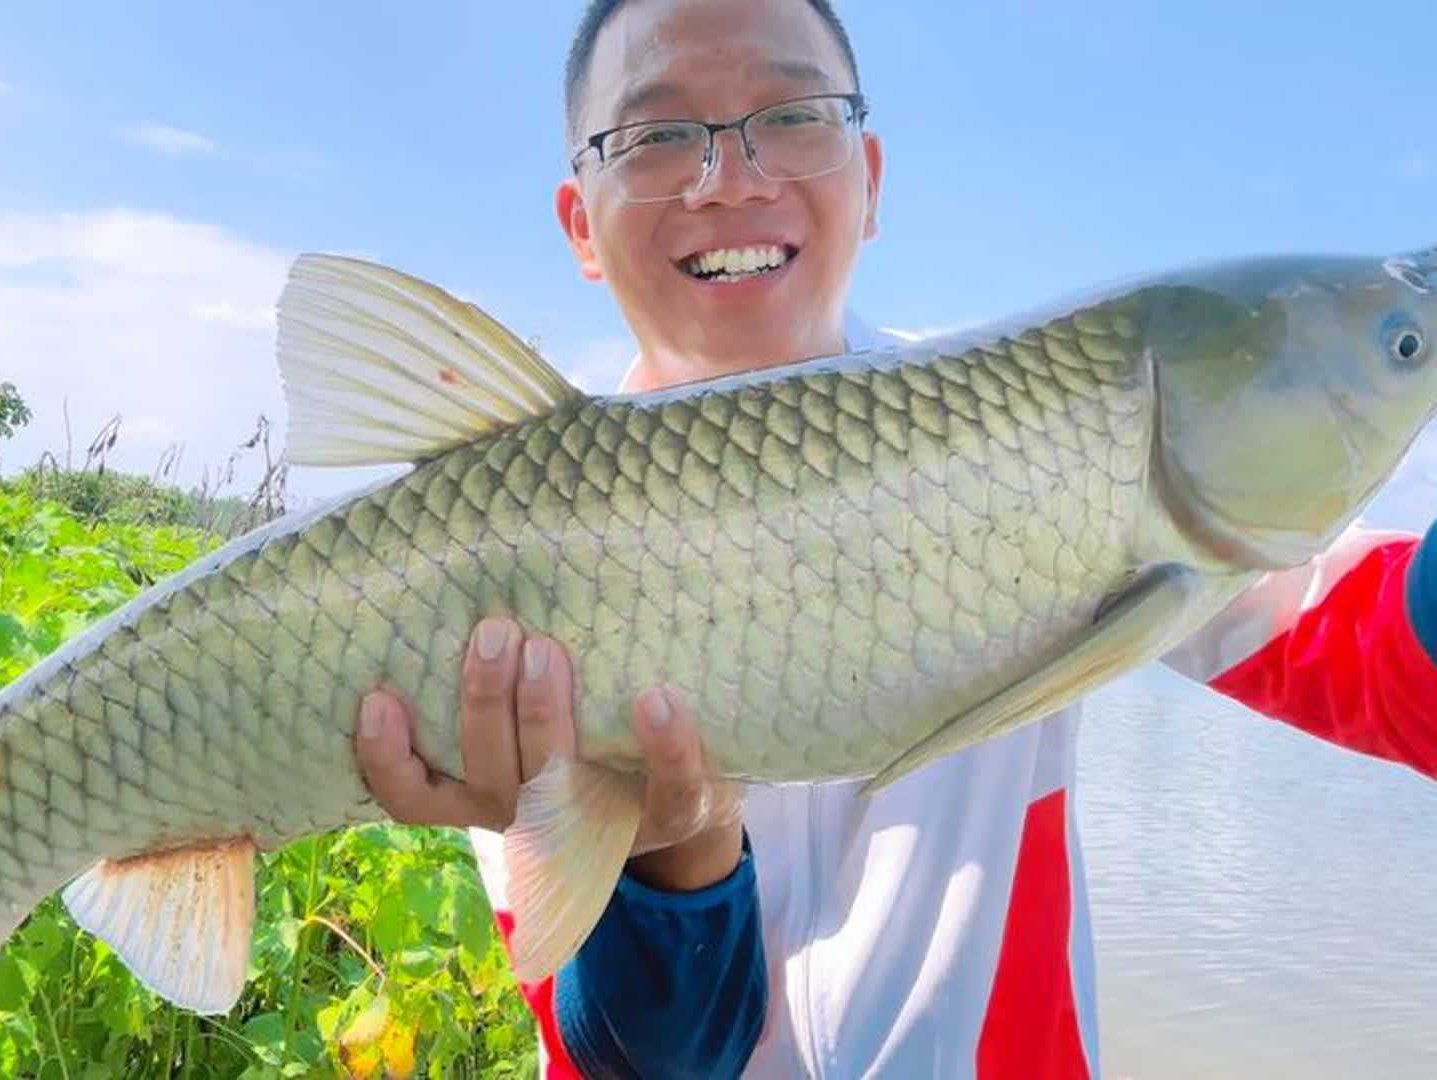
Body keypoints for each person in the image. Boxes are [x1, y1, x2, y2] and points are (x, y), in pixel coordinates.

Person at [351, 0, 1437, 1075]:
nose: (731, 176)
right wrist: (668, 864)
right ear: (580, 224)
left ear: (869, 178)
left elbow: (1398, 671)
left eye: (792, 114)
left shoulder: (1078, 427)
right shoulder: (487, 547)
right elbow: (645, 1061)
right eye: (658, 133)